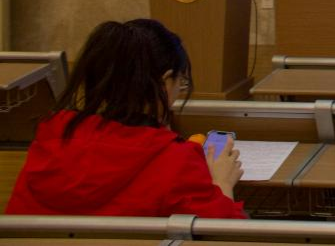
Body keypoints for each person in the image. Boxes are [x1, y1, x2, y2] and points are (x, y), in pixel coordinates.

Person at [6, 18, 246, 218]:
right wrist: (222, 184)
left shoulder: (52, 138)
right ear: (165, 82)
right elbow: (229, 236)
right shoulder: (175, 161)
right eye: (180, 83)